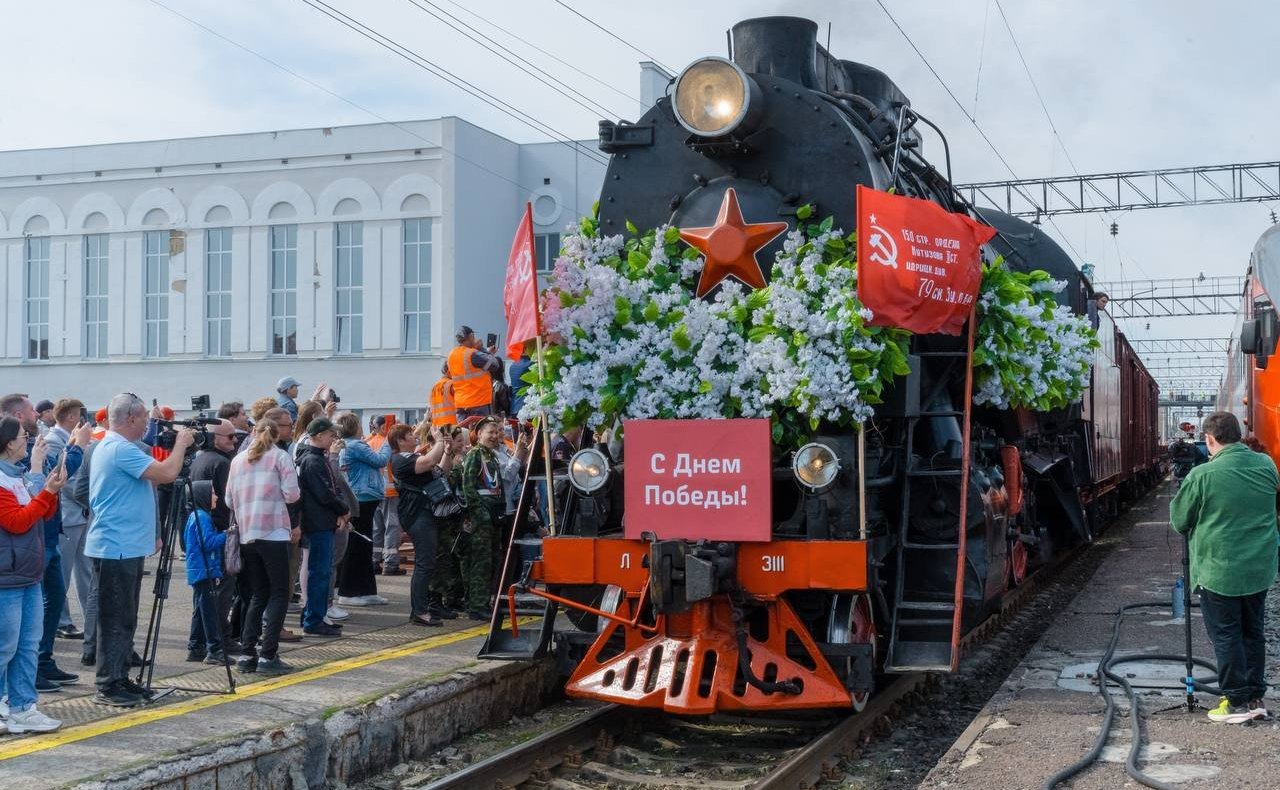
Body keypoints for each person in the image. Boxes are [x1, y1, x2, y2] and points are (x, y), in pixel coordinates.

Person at [1170, 411, 1280, 724]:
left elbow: (1180, 521)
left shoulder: (1203, 475)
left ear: (1209, 439)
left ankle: (1235, 702)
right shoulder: (1267, 466)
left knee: (1227, 635)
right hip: (1259, 567)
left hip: (1220, 569)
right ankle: (1256, 696)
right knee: (1253, 632)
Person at [87, 393, 194, 707]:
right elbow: (167, 474)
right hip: (115, 547)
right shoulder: (119, 448)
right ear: (130, 418)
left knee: (126, 618)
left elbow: (151, 482)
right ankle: (108, 685)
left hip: (124, 545)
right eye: (144, 419)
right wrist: (181, 445)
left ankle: (120, 678)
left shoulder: (117, 447)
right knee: (115, 618)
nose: (148, 424)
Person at [0, 416, 68, 733]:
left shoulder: (21, 476)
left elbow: (44, 512)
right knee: (6, 646)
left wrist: (45, 479)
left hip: (27, 574)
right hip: (6, 578)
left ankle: (23, 706)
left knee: (28, 644)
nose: (28, 440)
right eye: (23, 436)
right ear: (9, 442)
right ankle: (5, 705)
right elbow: (17, 521)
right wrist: (46, 491)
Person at [225, 421, 300, 675]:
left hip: (247, 532)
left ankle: (247, 653)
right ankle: (269, 654)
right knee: (280, 592)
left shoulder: (237, 461)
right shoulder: (280, 457)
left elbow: (228, 499)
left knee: (258, 594)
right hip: (273, 530)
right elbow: (292, 495)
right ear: (276, 435)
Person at [390, 423, 457, 626]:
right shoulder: (400, 459)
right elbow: (428, 462)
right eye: (410, 434)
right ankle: (419, 610)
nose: (414, 437)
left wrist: (446, 451)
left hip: (427, 513)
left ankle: (423, 608)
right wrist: (437, 442)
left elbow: (440, 470)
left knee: (429, 562)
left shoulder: (413, 457)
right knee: (424, 563)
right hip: (417, 514)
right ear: (400, 441)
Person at [295, 418, 349, 637]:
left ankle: (313, 614)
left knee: (320, 571)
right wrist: (343, 509)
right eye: (329, 434)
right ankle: (313, 619)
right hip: (318, 523)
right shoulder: (313, 461)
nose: (332, 438)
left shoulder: (314, 458)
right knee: (320, 572)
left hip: (320, 520)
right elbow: (324, 493)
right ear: (318, 436)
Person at [189, 419, 238, 655]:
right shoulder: (221, 463)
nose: (235, 440)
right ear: (215, 438)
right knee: (218, 595)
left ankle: (198, 643)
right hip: (217, 535)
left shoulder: (199, 460)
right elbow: (229, 501)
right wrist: (231, 534)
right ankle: (217, 641)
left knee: (203, 600)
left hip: (206, 537)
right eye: (230, 437)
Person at [335, 412, 391, 607]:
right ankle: (350, 591)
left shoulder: (346, 445)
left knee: (364, 544)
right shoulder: (356, 445)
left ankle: (366, 589)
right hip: (363, 497)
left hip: (362, 497)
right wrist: (387, 440)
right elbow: (381, 460)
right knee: (359, 545)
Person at [50, 400, 92, 644]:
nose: (82, 420)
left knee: (85, 571)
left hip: (80, 513)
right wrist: (89, 500)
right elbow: (64, 479)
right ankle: (61, 622)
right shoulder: (56, 440)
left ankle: (90, 619)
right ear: (70, 417)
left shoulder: (69, 438)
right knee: (62, 574)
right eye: (79, 415)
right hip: (68, 515)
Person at [460, 416, 506, 620]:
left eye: (496, 432)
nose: (494, 436)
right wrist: (480, 514)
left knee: (493, 560)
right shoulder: (475, 455)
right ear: (479, 434)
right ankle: (477, 605)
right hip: (482, 517)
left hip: (494, 515)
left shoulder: (493, 456)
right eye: (490, 432)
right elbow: (468, 486)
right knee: (481, 561)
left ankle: (484, 601)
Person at [184, 481, 226, 664]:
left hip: (198, 569)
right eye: (213, 493)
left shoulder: (195, 515)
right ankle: (214, 649)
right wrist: (228, 534)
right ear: (203, 496)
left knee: (200, 610)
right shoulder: (203, 517)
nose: (216, 497)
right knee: (209, 611)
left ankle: (195, 647)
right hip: (204, 569)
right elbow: (208, 542)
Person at [368, 415, 403, 576]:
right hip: (389, 491)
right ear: (383, 427)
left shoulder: (367, 442)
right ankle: (390, 563)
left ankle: (374, 560)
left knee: (377, 527)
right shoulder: (388, 444)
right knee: (392, 526)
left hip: (373, 492)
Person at [448, 326, 503, 419]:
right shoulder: (472, 354)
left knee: (464, 433)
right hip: (478, 402)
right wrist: (482, 349)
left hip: (461, 404)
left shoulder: (451, 355)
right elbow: (495, 365)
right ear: (471, 336)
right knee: (481, 432)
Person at [430, 362, 457, 428]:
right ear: (449, 371)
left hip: (437, 427)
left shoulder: (434, 387)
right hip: (452, 427)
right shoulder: (451, 384)